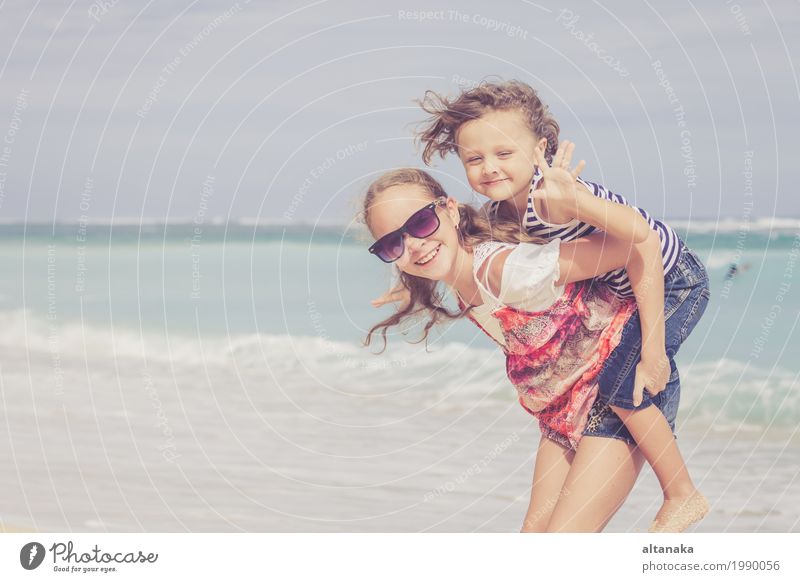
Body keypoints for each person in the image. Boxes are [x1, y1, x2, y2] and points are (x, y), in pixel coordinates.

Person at [378, 79, 712, 532]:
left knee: (561, 538)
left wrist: (653, 352)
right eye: (474, 159)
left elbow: (642, 243)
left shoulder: (548, 205)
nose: (490, 168)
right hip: (575, 386)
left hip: (666, 288)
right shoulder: (500, 219)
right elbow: (455, 252)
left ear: (541, 149)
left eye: (419, 223)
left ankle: (682, 493)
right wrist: (412, 276)